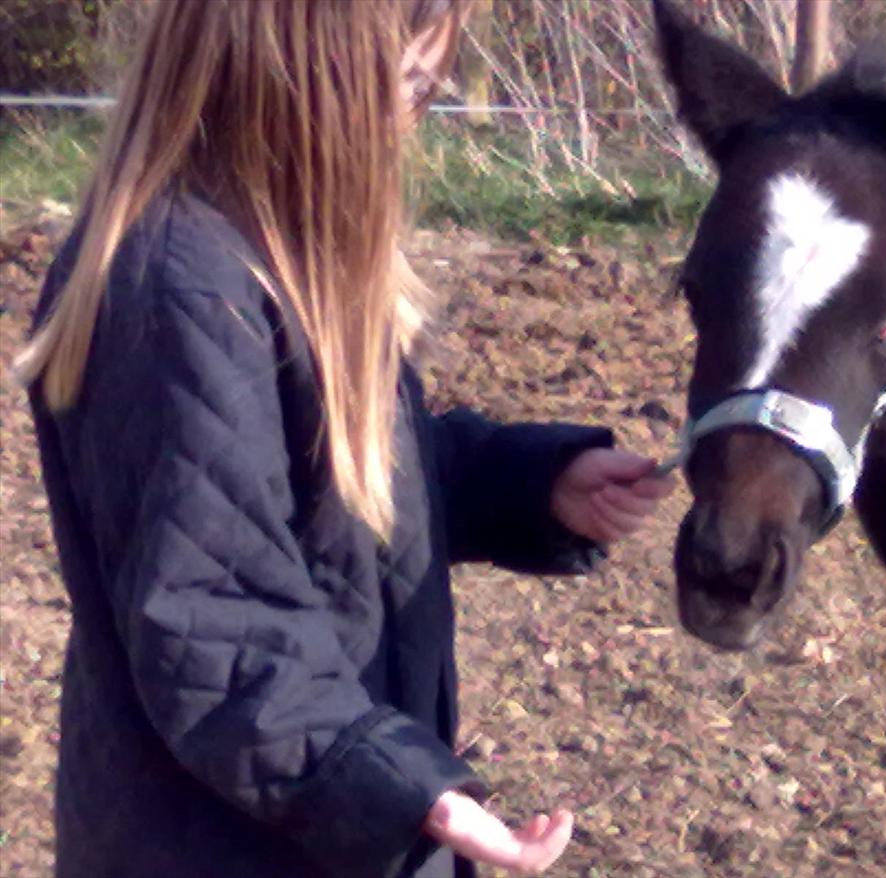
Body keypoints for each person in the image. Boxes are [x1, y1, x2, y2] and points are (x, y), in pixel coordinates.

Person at [15, 2, 672, 876]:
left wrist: (531, 484)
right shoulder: (178, 287)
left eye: (428, 85)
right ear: (296, 67)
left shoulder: (277, 259)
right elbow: (211, 617)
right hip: (228, 842)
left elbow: (327, 488)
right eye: (401, 80)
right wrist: (399, 790)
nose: (412, 116)